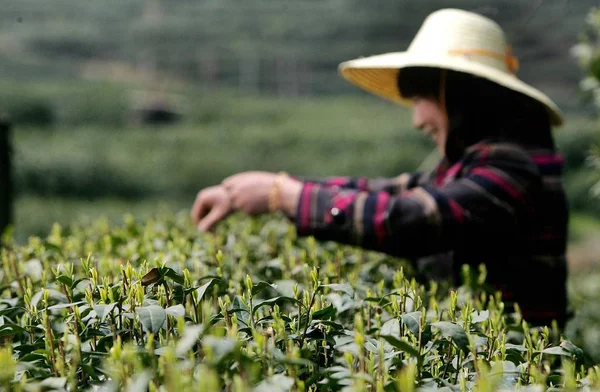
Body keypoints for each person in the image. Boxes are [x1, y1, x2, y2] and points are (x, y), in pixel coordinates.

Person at [190, 9, 569, 328]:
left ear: (463, 97)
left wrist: (284, 194)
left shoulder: (512, 170)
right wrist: (264, 189)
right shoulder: (472, 166)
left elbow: (410, 219)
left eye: (422, 98)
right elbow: (386, 192)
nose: (418, 120)